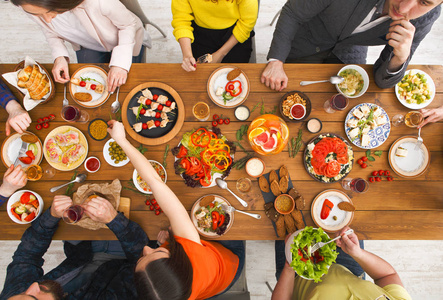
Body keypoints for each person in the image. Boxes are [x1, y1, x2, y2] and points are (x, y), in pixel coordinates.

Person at [106, 120, 245, 300]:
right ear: (179, 262)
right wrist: (121, 140)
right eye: (158, 251)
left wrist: (167, 246)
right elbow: (155, 182)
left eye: (142, 258)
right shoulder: (191, 252)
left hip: (212, 284)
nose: (147, 248)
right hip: (229, 261)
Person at [261, 0, 442, 91]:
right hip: (309, 38)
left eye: (424, 2)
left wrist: (400, 58)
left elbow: (381, 80)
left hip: (350, 48)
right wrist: (276, 61)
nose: (403, 8)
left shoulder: (426, 18)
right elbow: (293, 13)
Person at [0, 194, 152, 300]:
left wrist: (51, 216)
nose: (33, 285)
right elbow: (146, 266)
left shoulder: (14, 296)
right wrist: (114, 220)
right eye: (34, 297)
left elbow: (26, 257)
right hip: (125, 260)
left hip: (83, 253)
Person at [10, 0, 151, 93]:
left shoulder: (98, 2)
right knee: (90, 86)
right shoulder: (27, 4)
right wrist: (60, 56)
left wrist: (120, 64)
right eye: (37, 15)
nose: (47, 19)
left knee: (130, 85)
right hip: (87, 44)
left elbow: (128, 25)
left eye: (49, 11)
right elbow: (48, 29)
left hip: (125, 40)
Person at [272, 226, 411, 300]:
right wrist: (357, 253)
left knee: (279, 213)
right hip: (349, 265)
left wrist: (289, 266)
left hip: (296, 274)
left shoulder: (292, 268)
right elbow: (388, 275)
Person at [172, 0, 258, 72]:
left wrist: (221, 54)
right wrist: (187, 55)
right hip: (201, 33)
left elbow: (247, 21)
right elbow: (181, 20)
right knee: (201, 74)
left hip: (235, 34)